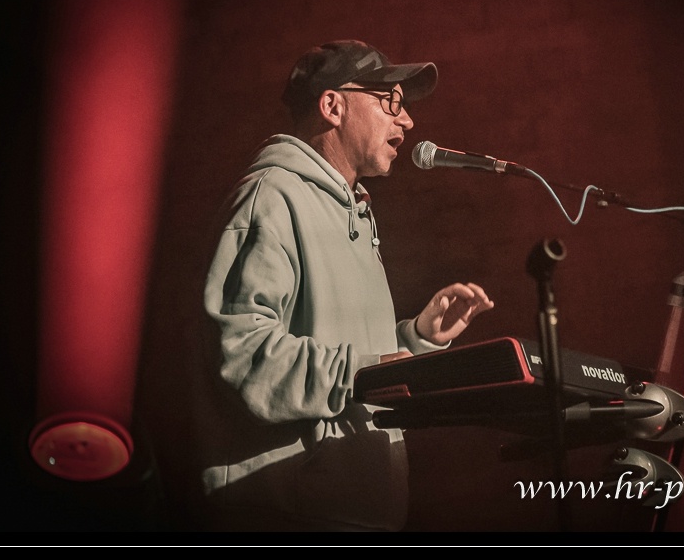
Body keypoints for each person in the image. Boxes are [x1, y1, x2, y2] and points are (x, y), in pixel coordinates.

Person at [194, 40, 495, 532]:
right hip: (291, 516)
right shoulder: (271, 198)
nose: (407, 120)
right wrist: (363, 374)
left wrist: (414, 339)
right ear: (333, 106)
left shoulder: (353, 209)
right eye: (390, 101)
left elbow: (346, 357)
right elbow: (242, 355)